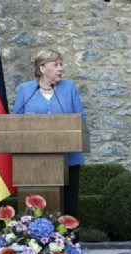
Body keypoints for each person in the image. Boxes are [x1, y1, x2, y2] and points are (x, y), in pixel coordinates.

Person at [13, 49, 86, 220]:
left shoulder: (69, 88)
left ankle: (70, 242)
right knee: (34, 203)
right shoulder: (25, 90)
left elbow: (80, 118)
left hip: (69, 158)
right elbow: (15, 123)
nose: (60, 68)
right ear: (42, 68)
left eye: (61, 64)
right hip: (32, 161)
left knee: (69, 203)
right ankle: (34, 240)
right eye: (56, 65)